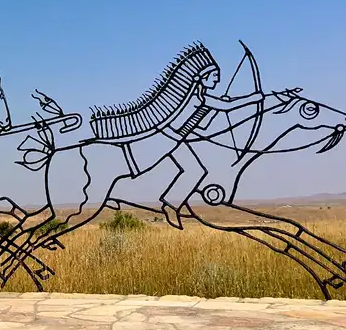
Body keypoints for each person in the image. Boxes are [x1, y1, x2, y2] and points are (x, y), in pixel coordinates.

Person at [89, 43, 264, 230]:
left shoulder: (199, 98)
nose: (217, 81)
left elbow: (203, 126)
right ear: (202, 77)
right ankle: (162, 205)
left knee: (194, 171)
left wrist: (215, 109)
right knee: (142, 170)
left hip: (175, 140)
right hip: (166, 140)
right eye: (214, 77)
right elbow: (226, 107)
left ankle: (169, 205)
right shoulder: (198, 97)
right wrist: (255, 98)